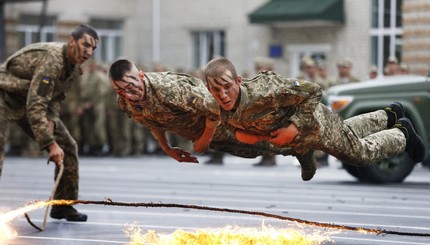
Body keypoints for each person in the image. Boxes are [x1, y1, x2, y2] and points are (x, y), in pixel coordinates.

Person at [203, 57, 426, 179]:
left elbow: (314, 90)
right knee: (348, 129)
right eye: (216, 90)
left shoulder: (266, 88)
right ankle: (389, 115)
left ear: (239, 80)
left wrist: (293, 126)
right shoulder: (217, 104)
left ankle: (402, 133)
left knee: (359, 154)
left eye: (227, 87)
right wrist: (244, 136)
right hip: (302, 138)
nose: (223, 95)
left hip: (316, 123)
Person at [108, 59, 294, 166]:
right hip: (199, 132)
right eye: (120, 91)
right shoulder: (125, 102)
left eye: (131, 87)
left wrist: (205, 139)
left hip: (224, 120)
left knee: (263, 142)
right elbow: (151, 122)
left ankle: (302, 150)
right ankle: (296, 150)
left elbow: (213, 106)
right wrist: (168, 149)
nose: (128, 95)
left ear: (141, 76)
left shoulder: (171, 89)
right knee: (247, 152)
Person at [0, 24, 99, 222]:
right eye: (85, 45)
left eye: (93, 48)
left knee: (68, 147)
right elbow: (36, 104)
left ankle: (63, 205)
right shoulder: (53, 61)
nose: (89, 51)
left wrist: (51, 123)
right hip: (5, 97)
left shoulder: (72, 67)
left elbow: (54, 99)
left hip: (28, 99)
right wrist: (49, 143)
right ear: (72, 41)